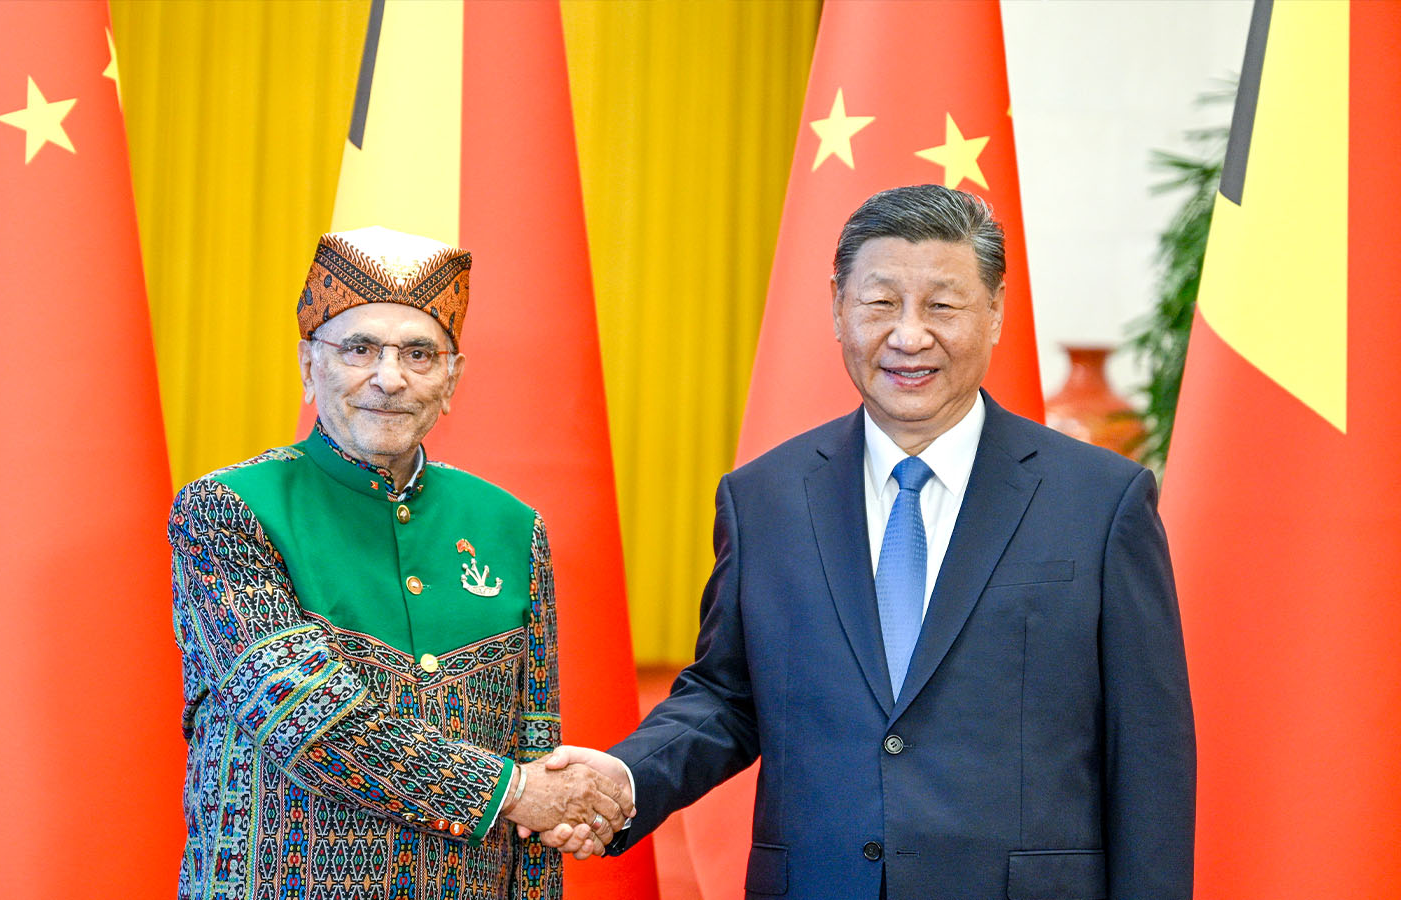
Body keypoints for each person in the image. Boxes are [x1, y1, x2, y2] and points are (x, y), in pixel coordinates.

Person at [540, 186, 1196, 898]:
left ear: (997, 310)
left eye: (943, 306)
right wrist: (627, 775)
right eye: (881, 303)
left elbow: (1148, 756)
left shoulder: (1101, 502)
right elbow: (728, 696)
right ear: (837, 308)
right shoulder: (766, 497)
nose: (909, 336)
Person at [167, 226, 631, 900]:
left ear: (452, 378)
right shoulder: (228, 510)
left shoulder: (511, 527)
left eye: (419, 353)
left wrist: (542, 802)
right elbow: (314, 724)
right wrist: (520, 792)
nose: (389, 378)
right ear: (307, 364)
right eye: (358, 348)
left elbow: (539, 750)